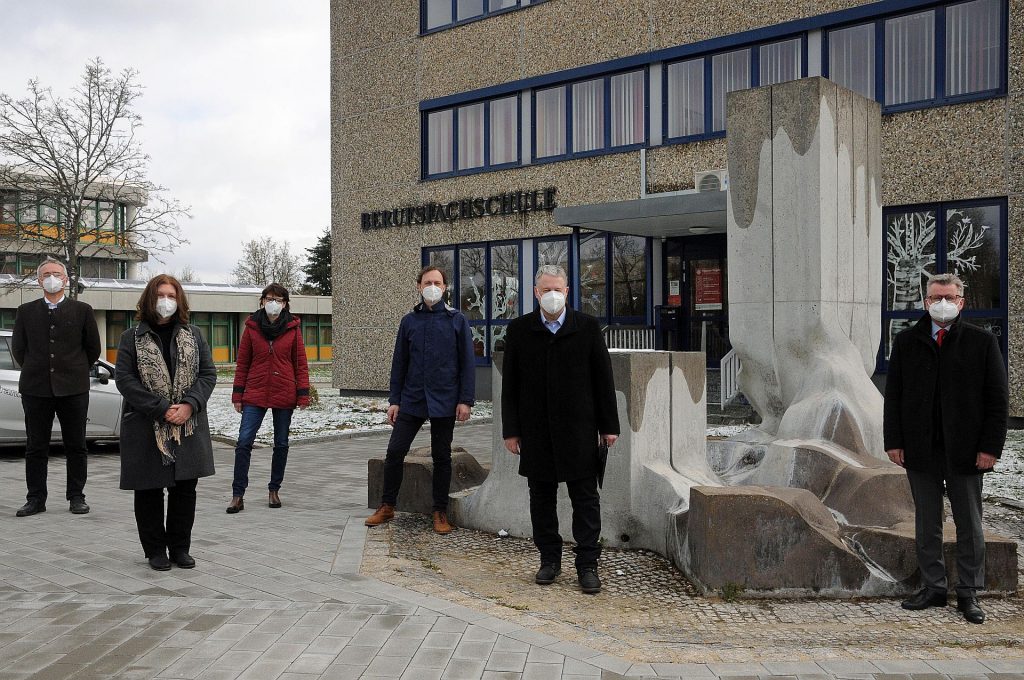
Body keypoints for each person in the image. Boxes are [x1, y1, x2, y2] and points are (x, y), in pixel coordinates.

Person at [884, 273, 1008, 624]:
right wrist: (893, 441)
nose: (943, 303)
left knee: (969, 523)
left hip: (967, 451)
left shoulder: (982, 343)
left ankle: (968, 591)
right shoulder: (907, 341)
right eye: (937, 297)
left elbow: (997, 401)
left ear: (961, 301)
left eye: (950, 297)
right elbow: (894, 397)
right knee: (927, 522)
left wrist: (990, 448)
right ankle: (934, 587)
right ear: (925, 301)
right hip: (921, 450)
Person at [501, 264, 619, 594]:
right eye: (545, 289)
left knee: (585, 499)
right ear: (535, 293)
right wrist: (511, 431)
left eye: (558, 289)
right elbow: (510, 385)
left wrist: (609, 425)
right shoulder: (520, 330)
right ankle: (549, 560)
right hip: (536, 431)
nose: (552, 295)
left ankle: (587, 565)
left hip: (579, 429)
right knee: (541, 499)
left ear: (567, 292)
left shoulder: (588, 327)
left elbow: (603, 380)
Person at [115, 275, 217, 571]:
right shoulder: (130, 338)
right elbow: (125, 380)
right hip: (147, 424)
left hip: (188, 425)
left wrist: (189, 405)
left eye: (171, 295)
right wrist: (161, 409)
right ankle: (156, 550)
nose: (166, 300)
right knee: (148, 491)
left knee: (185, 490)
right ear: (150, 298)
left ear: (179, 299)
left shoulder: (194, 335)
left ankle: (180, 548)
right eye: (160, 294)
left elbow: (208, 375)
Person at [365, 265, 475, 534]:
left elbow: (467, 364)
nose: (433, 286)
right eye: (428, 281)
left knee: (442, 457)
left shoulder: (457, 320)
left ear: (445, 287)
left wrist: (465, 400)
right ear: (418, 286)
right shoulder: (409, 321)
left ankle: (439, 512)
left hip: (445, 400)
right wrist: (394, 400)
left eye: (438, 282)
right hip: (412, 398)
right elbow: (399, 364)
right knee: (395, 452)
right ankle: (388, 505)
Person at [11, 258, 101, 517]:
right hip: (35, 388)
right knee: (36, 446)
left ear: (66, 279)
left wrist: (74, 368)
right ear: (39, 280)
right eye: (46, 274)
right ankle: (36, 498)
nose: (52, 278)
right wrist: (36, 368)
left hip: (73, 388)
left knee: (76, 445)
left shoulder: (82, 310)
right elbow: (19, 349)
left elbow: (92, 349)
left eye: (56, 274)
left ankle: (76, 497)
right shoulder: (25, 311)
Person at [227, 283, 310, 513]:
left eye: (279, 299)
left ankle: (274, 490)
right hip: (255, 393)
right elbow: (242, 363)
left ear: (285, 304)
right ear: (262, 301)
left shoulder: (293, 328)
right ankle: (237, 494)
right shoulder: (252, 327)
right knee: (244, 442)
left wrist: (303, 393)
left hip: (284, 393)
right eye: (270, 298)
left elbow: (300, 363)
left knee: (281, 443)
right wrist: (238, 394)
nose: (274, 303)